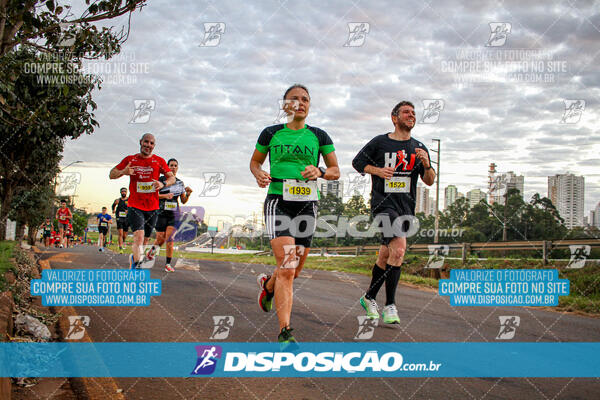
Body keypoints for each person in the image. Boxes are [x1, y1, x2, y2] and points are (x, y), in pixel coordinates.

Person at [250, 84, 340, 347]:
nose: (300, 103)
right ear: (284, 105)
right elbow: (255, 162)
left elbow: (336, 170)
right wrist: (258, 173)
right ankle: (285, 333)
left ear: (309, 105)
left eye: (305, 99)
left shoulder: (319, 136)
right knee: (287, 268)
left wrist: (320, 172)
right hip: (278, 201)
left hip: (307, 204)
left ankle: (267, 286)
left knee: (294, 270)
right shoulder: (271, 133)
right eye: (294, 99)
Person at [352, 100, 436, 324]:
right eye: (406, 112)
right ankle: (390, 305)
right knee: (399, 250)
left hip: (406, 207)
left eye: (413, 113)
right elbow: (357, 162)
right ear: (394, 118)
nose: (411, 115)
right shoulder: (380, 142)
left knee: (386, 255)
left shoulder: (418, 148)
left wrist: (427, 165)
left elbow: (429, 181)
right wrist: (378, 170)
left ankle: (369, 297)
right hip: (383, 205)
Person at [109, 133, 175, 269]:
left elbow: (172, 178)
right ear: (140, 142)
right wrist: (123, 171)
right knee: (139, 237)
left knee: (145, 240)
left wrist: (163, 184)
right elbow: (111, 174)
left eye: (151, 143)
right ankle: (137, 269)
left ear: (154, 146)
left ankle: (134, 258)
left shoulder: (159, 161)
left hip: (152, 207)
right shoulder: (130, 159)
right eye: (146, 142)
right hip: (135, 205)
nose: (148, 145)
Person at [151, 158, 192, 272]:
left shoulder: (180, 183)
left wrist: (188, 194)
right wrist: (165, 196)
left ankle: (168, 264)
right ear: (167, 167)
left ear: (177, 168)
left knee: (170, 238)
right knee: (160, 239)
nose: (173, 167)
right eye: (171, 165)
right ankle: (151, 252)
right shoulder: (161, 180)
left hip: (174, 213)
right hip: (161, 212)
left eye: (175, 165)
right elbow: (153, 195)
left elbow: (183, 200)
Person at [112, 187, 130, 253]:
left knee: (124, 235)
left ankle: (123, 242)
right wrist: (113, 210)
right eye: (122, 191)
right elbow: (113, 205)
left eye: (125, 191)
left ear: (126, 192)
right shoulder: (118, 200)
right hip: (119, 218)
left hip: (127, 219)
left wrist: (128, 211)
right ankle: (120, 247)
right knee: (120, 233)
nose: (123, 193)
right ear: (120, 192)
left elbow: (132, 207)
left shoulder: (129, 200)